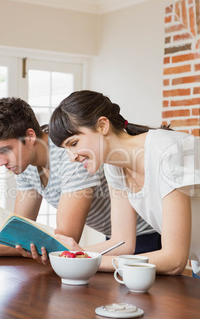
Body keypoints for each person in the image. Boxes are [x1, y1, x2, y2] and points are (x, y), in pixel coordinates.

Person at [0, 97, 156, 258]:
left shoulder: (70, 155)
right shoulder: (25, 165)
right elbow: (16, 228)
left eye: (5, 150)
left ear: (30, 137)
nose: (1, 162)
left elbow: (64, 239)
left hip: (147, 237)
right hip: (116, 239)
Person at [47, 90, 200, 276]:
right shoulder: (115, 168)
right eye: (66, 150)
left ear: (103, 125)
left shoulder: (167, 152)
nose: (72, 158)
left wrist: (89, 261)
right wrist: (75, 255)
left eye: (74, 143)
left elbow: (174, 260)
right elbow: (122, 243)